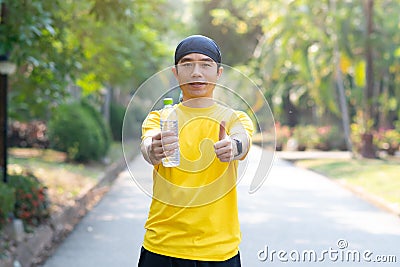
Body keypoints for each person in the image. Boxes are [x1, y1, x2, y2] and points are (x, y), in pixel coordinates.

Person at [139, 35, 254, 267]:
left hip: (218, 250)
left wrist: (234, 146)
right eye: (187, 64)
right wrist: (154, 149)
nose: (196, 72)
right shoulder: (160, 118)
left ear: (218, 73)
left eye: (205, 64)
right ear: (176, 72)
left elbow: (243, 140)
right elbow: (148, 145)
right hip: (162, 247)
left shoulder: (234, 118)